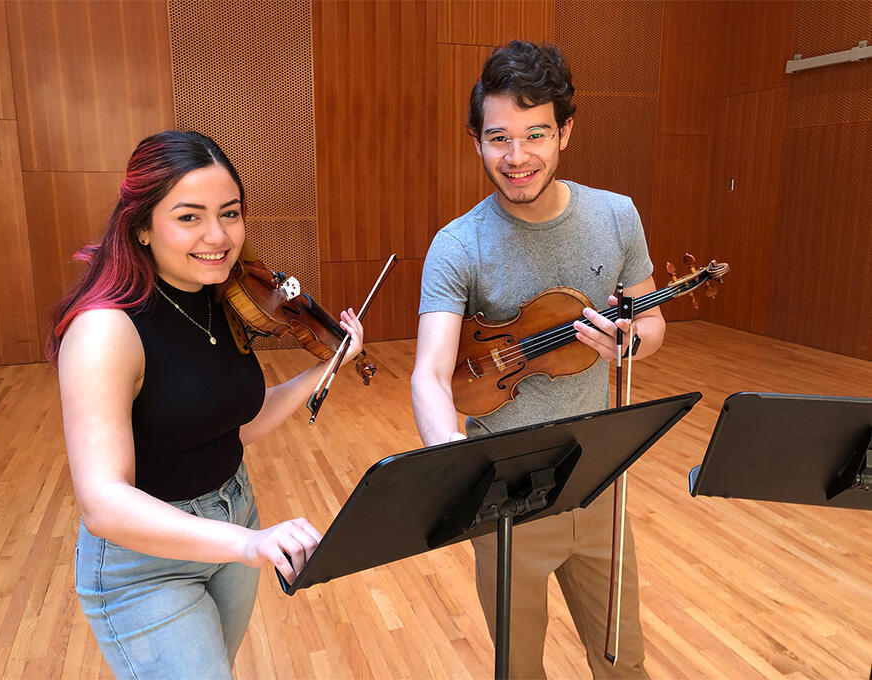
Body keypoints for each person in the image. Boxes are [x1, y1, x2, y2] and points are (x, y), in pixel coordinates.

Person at [48, 130, 364, 679]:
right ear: (142, 226)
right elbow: (103, 501)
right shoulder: (105, 331)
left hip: (233, 511)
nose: (218, 236)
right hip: (145, 561)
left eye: (230, 213)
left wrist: (324, 366)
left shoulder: (217, 297)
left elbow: (230, 428)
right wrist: (249, 544)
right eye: (189, 217)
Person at [411, 41, 665, 679]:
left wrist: (629, 342)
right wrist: (452, 459)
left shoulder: (616, 216)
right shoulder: (458, 244)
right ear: (476, 140)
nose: (517, 157)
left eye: (536, 134)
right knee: (518, 668)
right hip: (505, 489)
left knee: (622, 659)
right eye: (499, 138)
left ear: (565, 133)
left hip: (601, 478)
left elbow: (651, 319)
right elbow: (431, 372)